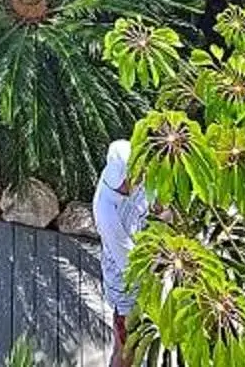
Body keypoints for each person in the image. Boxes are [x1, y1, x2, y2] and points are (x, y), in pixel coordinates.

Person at [91, 139, 148, 367]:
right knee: (125, 349)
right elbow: (130, 263)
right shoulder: (106, 212)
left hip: (146, 271)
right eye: (132, 180)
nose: (139, 181)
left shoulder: (135, 176)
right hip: (128, 287)